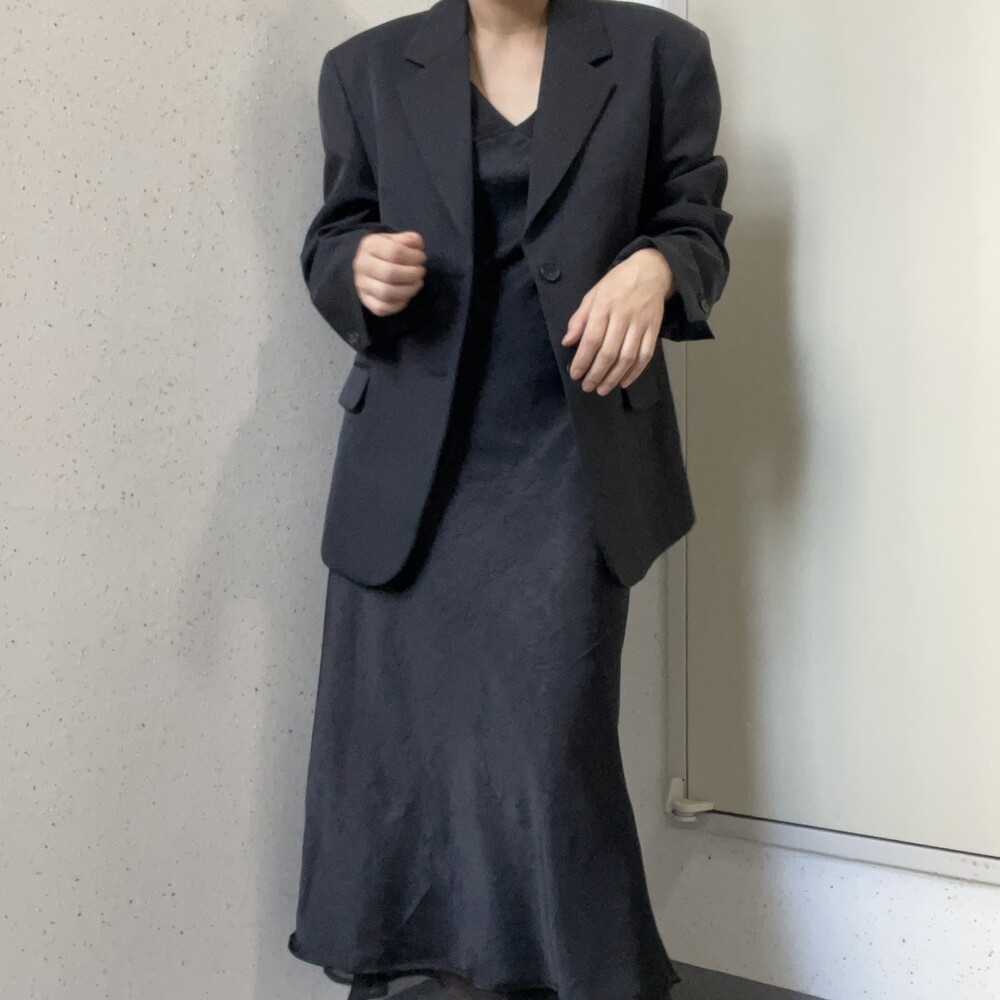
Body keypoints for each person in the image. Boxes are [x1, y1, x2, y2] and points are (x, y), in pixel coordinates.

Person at [287, 1, 732, 999]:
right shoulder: (362, 70)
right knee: (401, 757)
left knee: (546, 749)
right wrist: (355, 268)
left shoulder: (660, 53)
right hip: (413, 472)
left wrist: (656, 269)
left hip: (569, 456)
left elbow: (697, 227)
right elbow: (332, 235)